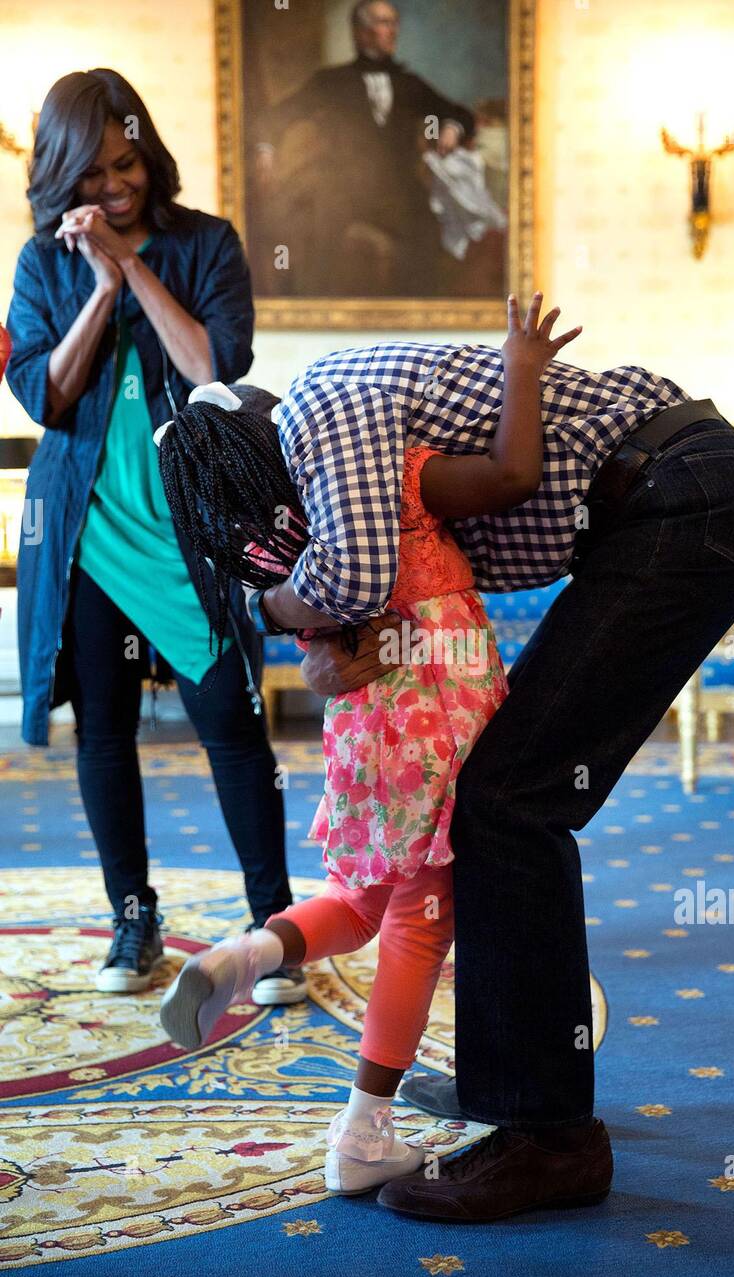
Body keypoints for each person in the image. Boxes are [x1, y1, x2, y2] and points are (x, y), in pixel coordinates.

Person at [239, 296, 734, 1222]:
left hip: (686, 494)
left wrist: (272, 611)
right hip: (673, 496)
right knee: (497, 793)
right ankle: (511, 1085)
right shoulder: (366, 449)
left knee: (507, 800)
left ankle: (551, 1137)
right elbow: (378, 583)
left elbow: (352, 577)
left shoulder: (314, 414)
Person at [156, 295, 581, 1197]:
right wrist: (522, 370)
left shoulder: (295, 559)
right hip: (440, 719)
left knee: (363, 899)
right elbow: (510, 476)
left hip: (368, 735)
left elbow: (314, 633)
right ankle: (364, 1133)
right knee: (420, 924)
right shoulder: (383, 474)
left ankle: (246, 956)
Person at [4, 69, 303, 1005]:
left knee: (231, 721)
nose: (114, 187)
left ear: (148, 152)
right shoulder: (41, 265)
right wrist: (96, 289)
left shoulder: (205, 243)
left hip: (193, 527)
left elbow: (214, 368)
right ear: (62, 174)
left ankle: (274, 925)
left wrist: (131, 265)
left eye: (125, 164)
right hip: (86, 529)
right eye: (92, 174)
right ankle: (133, 919)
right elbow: (45, 397)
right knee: (105, 729)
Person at [251, 0, 477, 295]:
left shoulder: (409, 83)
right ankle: (318, 311)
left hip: (399, 189)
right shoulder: (331, 82)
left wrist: (451, 126)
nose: (392, 30)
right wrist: (265, 149)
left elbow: (458, 113)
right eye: (384, 22)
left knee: (426, 234)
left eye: (394, 23)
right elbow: (277, 116)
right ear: (361, 32)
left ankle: (419, 316)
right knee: (319, 238)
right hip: (340, 187)